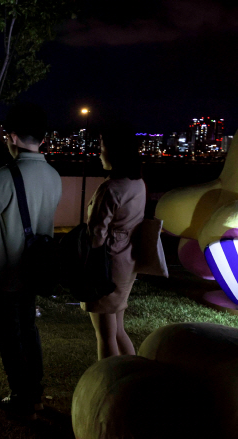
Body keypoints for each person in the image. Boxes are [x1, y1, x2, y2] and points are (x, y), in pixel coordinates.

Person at [0, 103, 62, 419]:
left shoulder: (7, 176)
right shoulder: (53, 175)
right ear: (44, 138)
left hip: (3, 272)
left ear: (11, 137)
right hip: (34, 270)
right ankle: (34, 394)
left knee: (9, 339)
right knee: (28, 331)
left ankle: (21, 398)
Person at [82, 123, 146, 360]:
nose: (100, 153)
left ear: (114, 152)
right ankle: (133, 376)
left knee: (105, 335)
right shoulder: (137, 183)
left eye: (102, 147)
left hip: (105, 264)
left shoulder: (110, 188)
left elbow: (96, 233)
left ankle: (109, 385)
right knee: (117, 329)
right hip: (126, 261)